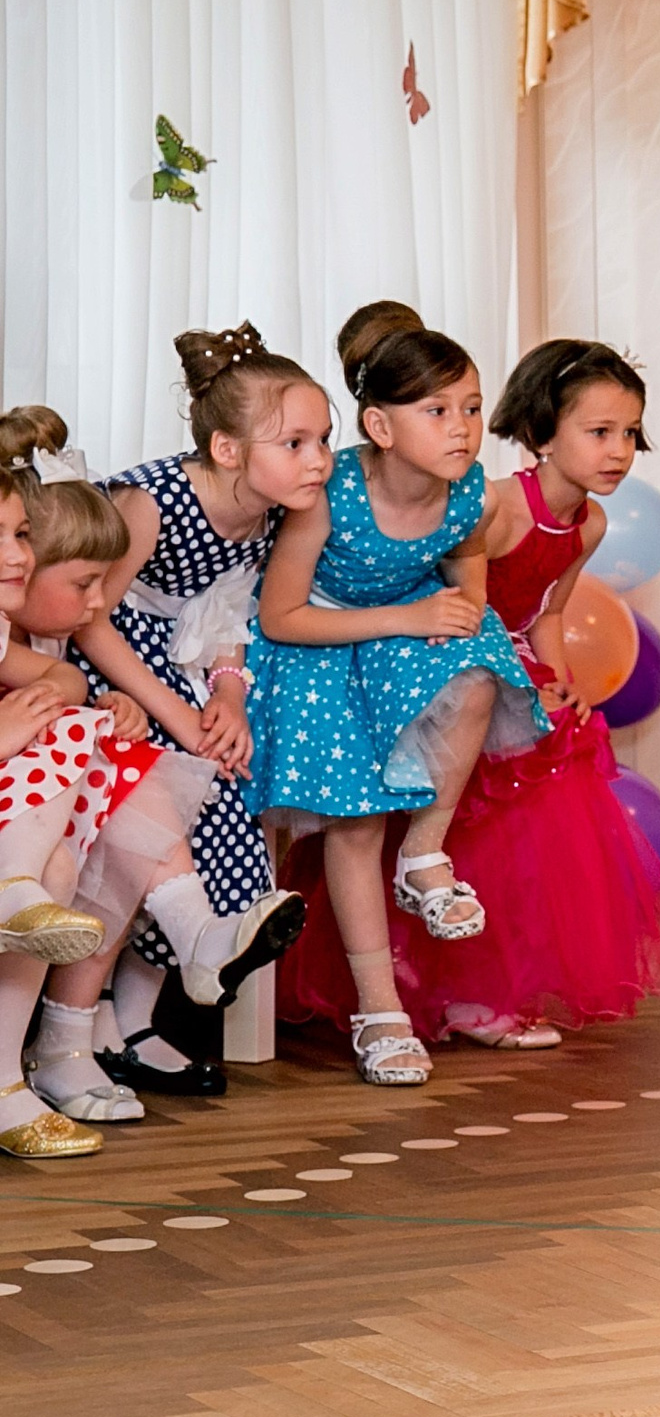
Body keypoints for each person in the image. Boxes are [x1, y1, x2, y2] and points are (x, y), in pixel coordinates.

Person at [283, 339, 660, 1044]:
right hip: (457, 665)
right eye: (600, 432)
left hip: (511, 667)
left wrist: (560, 681)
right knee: (465, 832)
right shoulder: (497, 506)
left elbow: (549, 611)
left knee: (528, 852)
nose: (619, 449)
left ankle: (489, 987)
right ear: (541, 434)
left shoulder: (590, 524)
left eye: (629, 433)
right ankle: (428, 985)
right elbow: (462, 600)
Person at [248, 304, 547, 1086]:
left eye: (473, 408)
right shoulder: (331, 493)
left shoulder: (467, 489)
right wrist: (410, 617)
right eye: (438, 411)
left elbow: (466, 559)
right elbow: (281, 616)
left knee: (483, 657)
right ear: (379, 427)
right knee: (356, 815)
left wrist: (454, 609)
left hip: (397, 635)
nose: (463, 428)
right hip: (315, 645)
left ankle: (424, 855)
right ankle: (379, 1012)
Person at [71, 327, 334, 1099]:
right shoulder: (154, 501)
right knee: (165, 805)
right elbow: (90, 618)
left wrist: (225, 697)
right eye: (296, 441)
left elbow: (225, 619)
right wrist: (176, 717)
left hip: (184, 670)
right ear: (226, 449)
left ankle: (141, 1014)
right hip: (111, 671)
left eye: (323, 439)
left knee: (223, 789)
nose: (318, 458)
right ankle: (90, 1022)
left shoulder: (264, 513)